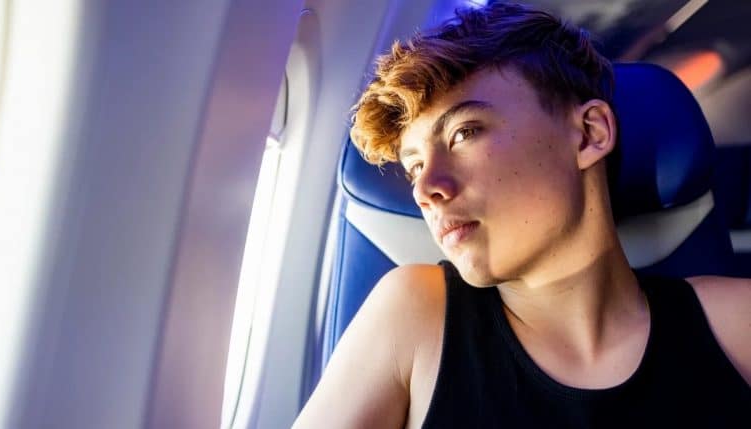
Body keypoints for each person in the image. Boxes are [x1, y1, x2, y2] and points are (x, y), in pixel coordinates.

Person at [293, 2, 750, 428]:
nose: (425, 189)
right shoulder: (415, 316)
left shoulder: (735, 322)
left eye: (464, 133)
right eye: (414, 166)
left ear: (589, 134)